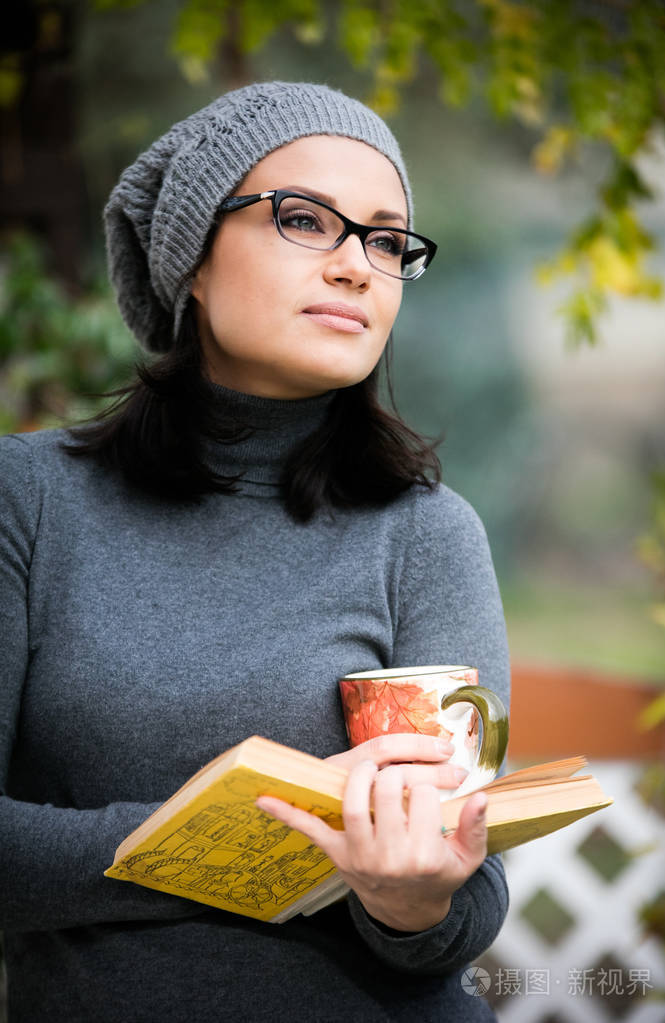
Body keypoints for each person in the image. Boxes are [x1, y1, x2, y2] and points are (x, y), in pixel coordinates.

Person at [0, 81, 510, 1021]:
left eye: (389, 240)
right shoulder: (28, 501)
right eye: (306, 220)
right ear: (191, 259)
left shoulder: (428, 532)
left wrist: (409, 899)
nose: (359, 267)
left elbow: (468, 901)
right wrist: (226, 823)